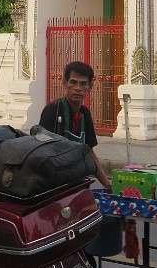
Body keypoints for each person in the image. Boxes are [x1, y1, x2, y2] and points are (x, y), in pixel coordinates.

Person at [39, 60, 111, 189]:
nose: (78, 88)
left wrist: (107, 184)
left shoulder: (85, 114)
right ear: (64, 83)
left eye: (83, 84)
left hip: (75, 179)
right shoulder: (53, 110)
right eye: (73, 82)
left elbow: (89, 151)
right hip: (53, 183)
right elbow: (40, 150)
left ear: (90, 86)